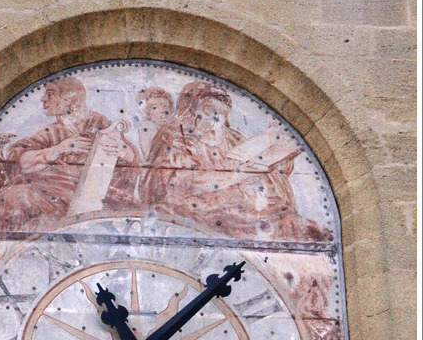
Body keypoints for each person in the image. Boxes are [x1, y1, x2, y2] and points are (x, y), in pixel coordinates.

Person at [142, 81, 332, 242]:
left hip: (240, 204)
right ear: (192, 113)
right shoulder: (174, 137)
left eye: (220, 115)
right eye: (208, 112)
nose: (213, 122)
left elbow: (265, 169)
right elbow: (181, 182)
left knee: (281, 214)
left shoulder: (230, 137)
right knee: (266, 221)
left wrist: (279, 158)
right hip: (193, 209)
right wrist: (236, 176)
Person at [0, 77, 139, 232]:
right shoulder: (51, 132)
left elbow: (134, 163)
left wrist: (125, 152)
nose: (43, 99)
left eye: (50, 94)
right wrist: (57, 150)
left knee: (17, 196)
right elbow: (19, 161)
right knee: (9, 199)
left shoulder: (102, 125)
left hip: (95, 197)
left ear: (72, 100)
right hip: (55, 196)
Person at [136, 86, 174, 161]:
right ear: (148, 114)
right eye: (154, 108)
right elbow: (149, 158)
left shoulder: (177, 127)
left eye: (164, 105)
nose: (162, 110)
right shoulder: (148, 128)